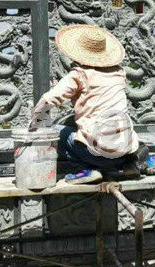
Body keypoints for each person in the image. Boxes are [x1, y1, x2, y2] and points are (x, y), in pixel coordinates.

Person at [29, 25, 140, 182]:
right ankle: (130, 166)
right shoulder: (119, 73)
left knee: (54, 132)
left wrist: (34, 125)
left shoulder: (80, 75)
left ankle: (86, 169)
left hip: (94, 154)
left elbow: (48, 99)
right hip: (124, 153)